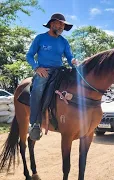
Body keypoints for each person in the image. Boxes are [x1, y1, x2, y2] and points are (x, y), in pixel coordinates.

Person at [26, 13, 79, 141]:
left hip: (60, 70)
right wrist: (37, 68)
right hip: (44, 71)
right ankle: (34, 124)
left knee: (76, 83)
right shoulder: (40, 38)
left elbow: (69, 56)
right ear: (52, 24)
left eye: (63, 25)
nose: (62, 27)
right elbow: (29, 55)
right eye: (60, 24)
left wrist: (73, 60)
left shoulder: (64, 42)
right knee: (37, 90)